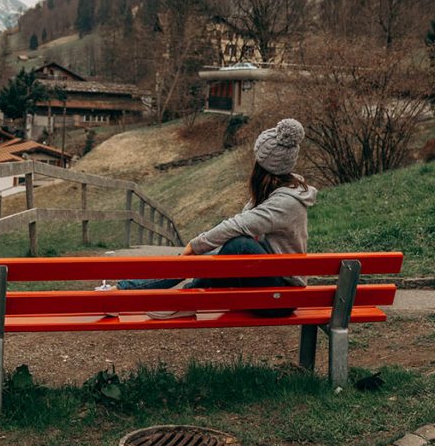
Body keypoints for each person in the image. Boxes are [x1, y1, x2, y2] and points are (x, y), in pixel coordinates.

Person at [117, 118, 317, 318]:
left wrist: (195, 246)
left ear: (264, 164)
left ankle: (185, 297)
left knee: (239, 245)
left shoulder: (285, 203)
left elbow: (238, 225)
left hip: (280, 298)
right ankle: (125, 291)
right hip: (272, 290)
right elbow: (241, 223)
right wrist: (197, 253)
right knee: (216, 253)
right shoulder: (279, 193)